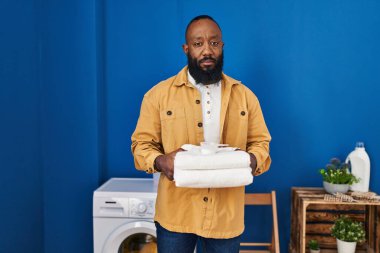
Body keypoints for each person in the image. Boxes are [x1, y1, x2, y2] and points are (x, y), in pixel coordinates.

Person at [131, 15, 271, 253]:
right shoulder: (157, 95)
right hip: (176, 214)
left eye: (214, 43)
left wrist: (250, 160)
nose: (207, 50)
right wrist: (160, 160)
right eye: (198, 44)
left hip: (225, 216)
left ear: (222, 46)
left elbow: (261, 143)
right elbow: (141, 145)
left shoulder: (245, 96)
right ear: (187, 49)